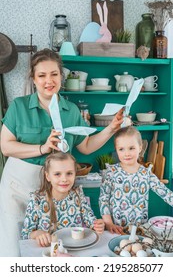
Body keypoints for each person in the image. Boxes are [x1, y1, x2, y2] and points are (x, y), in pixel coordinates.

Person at [0, 48, 123, 256]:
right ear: (34, 78)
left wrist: (111, 128)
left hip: (54, 190)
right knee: (12, 247)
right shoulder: (18, 107)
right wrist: (42, 148)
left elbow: (85, 146)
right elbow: (6, 146)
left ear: (61, 76)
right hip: (17, 187)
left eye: (54, 74)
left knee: (50, 247)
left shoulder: (71, 110)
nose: (49, 80)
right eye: (42, 75)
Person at [99, 126, 173, 234]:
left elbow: (165, 193)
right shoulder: (111, 172)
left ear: (140, 147)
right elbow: (103, 199)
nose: (127, 153)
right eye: (121, 149)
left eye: (131, 148)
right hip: (116, 229)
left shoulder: (146, 173)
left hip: (139, 230)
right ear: (116, 150)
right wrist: (109, 223)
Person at [21, 152, 104, 247]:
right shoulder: (37, 200)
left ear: (75, 174)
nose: (64, 179)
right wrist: (37, 234)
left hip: (75, 248)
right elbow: (25, 233)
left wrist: (96, 225)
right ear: (48, 176)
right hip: (49, 251)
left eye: (69, 173)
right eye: (57, 174)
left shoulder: (78, 194)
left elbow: (89, 219)